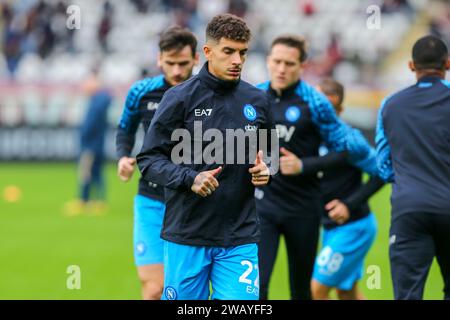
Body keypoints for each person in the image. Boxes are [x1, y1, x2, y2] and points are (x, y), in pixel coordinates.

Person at [137, 14, 274, 300]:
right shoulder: (178, 98)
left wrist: (266, 170)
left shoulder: (257, 101)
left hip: (240, 235)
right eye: (229, 51)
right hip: (188, 235)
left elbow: (269, 154)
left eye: (243, 52)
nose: (237, 60)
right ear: (208, 52)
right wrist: (190, 178)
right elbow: (149, 160)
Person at [255, 35, 378, 300]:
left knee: (302, 291)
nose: (281, 68)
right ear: (268, 61)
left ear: (302, 66)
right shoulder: (254, 97)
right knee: (256, 288)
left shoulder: (316, 103)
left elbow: (348, 149)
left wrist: (304, 165)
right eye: (276, 61)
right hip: (264, 208)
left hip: (303, 210)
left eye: (289, 63)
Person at [116, 26, 199, 300]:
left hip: (193, 202)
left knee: (184, 291)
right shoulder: (141, 92)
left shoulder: (208, 94)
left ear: (196, 59)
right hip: (151, 199)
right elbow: (125, 129)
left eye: (183, 64)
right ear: (159, 59)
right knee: (154, 289)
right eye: (170, 63)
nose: (176, 70)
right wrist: (123, 156)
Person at [376, 35, 450, 300]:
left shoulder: (390, 105)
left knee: (408, 295)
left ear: (411, 66)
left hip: (410, 210)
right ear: (447, 63)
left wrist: (409, 179)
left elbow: (382, 166)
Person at [306, 78, 385, 300]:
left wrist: (348, 205)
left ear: (339, 110)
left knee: (316, 290)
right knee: (346, 292)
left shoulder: (349, 142)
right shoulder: (307, 137)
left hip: (353, 227)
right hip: (331, 228)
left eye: (329, 109)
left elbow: (382, 172)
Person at [65, 69, 112, 216]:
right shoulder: (98, 100)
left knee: (86, 172)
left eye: (88, 82)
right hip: (95, 143)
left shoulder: (99, 99)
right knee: (96, 172)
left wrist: (84, 135)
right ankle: (97, 201)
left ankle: (84, 201)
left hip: (91, 144)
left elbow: (90, 124)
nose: (85, 86)